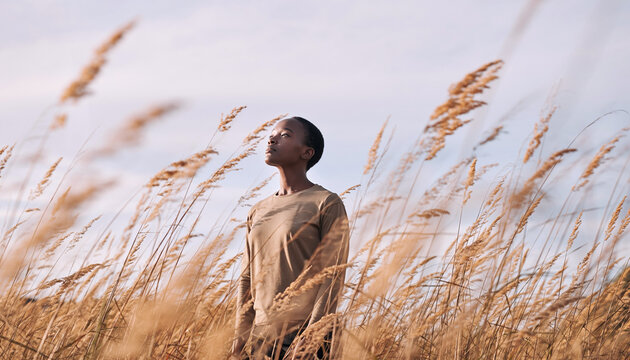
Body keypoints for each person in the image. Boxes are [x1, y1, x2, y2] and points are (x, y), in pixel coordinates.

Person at [231, 117, 350, 359]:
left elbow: (332, 277)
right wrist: (239, 340)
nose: (272, 138)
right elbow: (246, 279)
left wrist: (311, 339)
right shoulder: (258, 209)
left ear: (307, 153)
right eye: (271, 135)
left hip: (304, 336)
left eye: (285, 135)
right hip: (260, 338)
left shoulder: (326, 203)